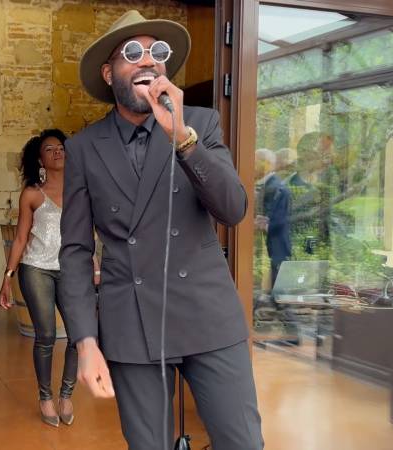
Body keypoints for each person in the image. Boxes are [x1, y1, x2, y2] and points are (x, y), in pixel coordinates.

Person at [58, 10, 263, 450]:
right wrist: (85, 341)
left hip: (207, 315)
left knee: (243, 441)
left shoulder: (200, 124)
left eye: (158, 52)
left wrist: (181, 136)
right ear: (109, 72)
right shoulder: (83, 148)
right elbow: (75, 250)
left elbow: (233, 209)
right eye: (133, 53)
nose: (148, 61)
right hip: (132, 321)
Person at [0, 129, 89, 427]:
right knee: (47, 336)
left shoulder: (81, 190)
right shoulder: (32, 194)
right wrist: (7, 277)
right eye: (49, 149)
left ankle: (66, 395)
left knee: (78, 334)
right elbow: (22, 237)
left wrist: (96, 267)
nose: (57, 152)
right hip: (36, 267)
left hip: (72, 269)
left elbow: (89, 233)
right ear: (40, 158)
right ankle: (45, 397)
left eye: (61, 147)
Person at [255, 148, 292, 286]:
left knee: (278, 283)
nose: (252, 167)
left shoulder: (277, 188)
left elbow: (280, 220)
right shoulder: (268, 185)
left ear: (266, 164)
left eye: (255, 162)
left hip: (278, 245)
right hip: (272, 246)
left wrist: (259, 224)